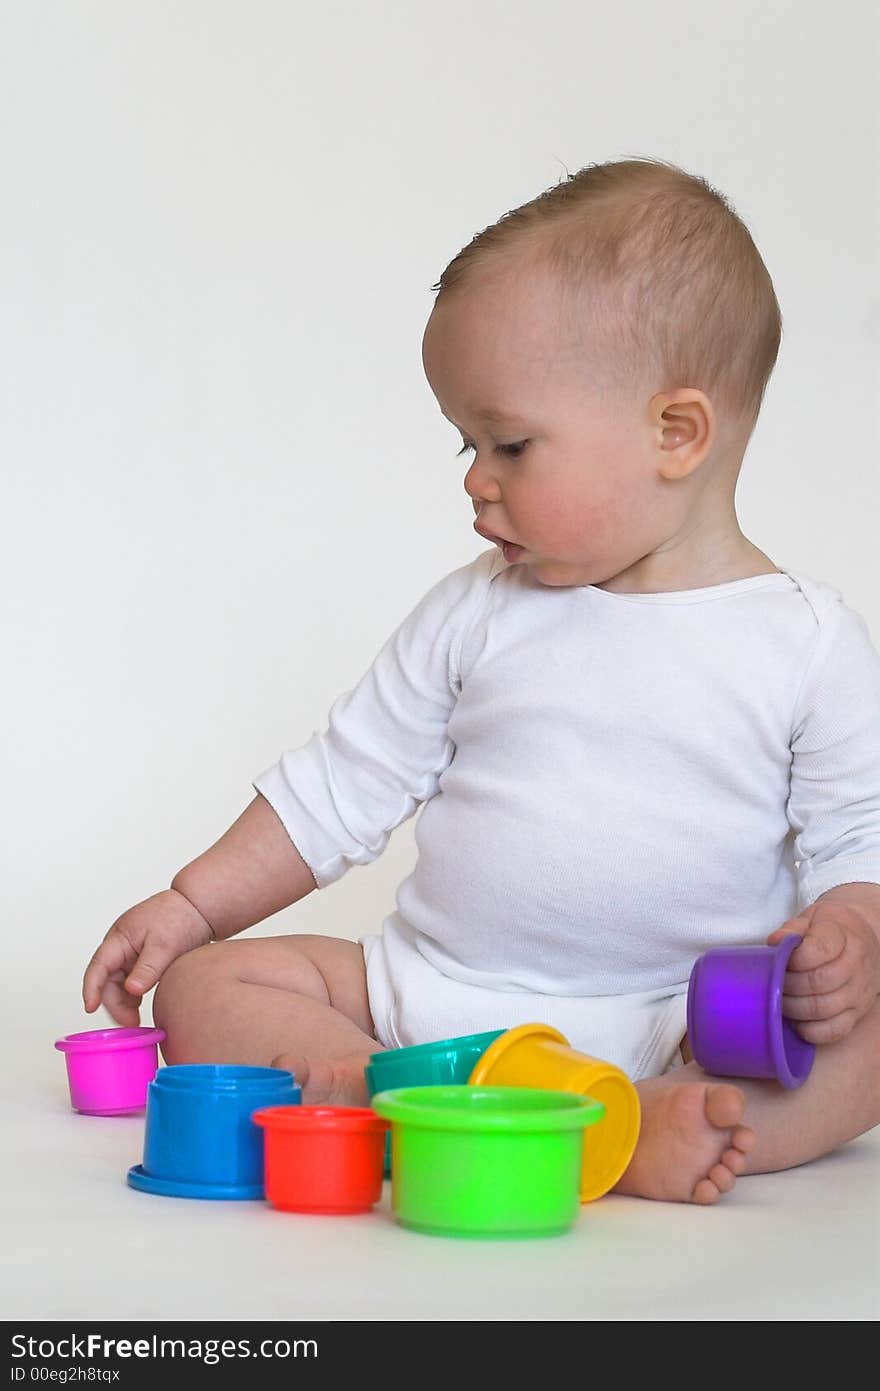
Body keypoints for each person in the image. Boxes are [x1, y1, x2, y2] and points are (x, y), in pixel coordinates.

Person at [81, 156, 880, 1204]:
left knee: (867, 1040)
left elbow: (854, 832)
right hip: (432, 1003)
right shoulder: (476, 610)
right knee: (210, 982)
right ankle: (402, 1095)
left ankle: (618, 1124)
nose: (472, 477)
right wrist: (192, 902)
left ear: (673, 433)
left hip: (672, 1022)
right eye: (466, 442)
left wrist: (848, 931)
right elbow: (341, 784)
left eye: (508, 442)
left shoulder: (804, 641)